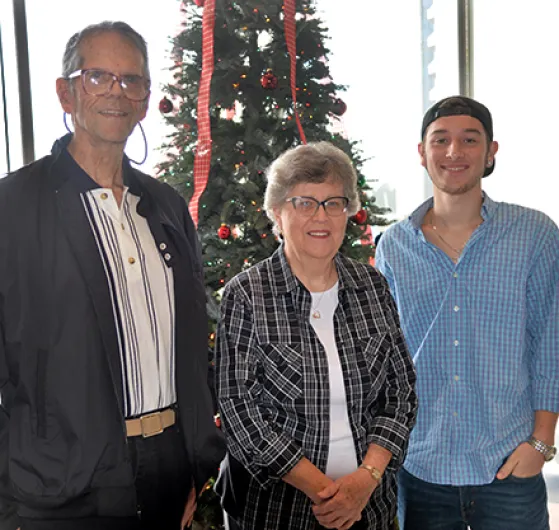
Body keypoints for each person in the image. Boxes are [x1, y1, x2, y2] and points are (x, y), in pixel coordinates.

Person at [0, 21, 224, 530]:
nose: (116, 92)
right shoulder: (12, 207)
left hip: (168, 473)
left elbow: (190, 347)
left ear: (146, 99)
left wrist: (193, 460)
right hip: (59, 489)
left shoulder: (166, 206)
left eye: (131, 80)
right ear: (66, 90)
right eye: (97, 76)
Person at [375, 95, 559, 530]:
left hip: (509, 465)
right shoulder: (393, 249)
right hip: (419, 469)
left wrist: (542, 443)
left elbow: (550, 344)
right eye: (441, 140)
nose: (454, 152)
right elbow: (386, 359)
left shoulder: (534, 235)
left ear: (491, 151)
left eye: (469, 139)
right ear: (422, 152)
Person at [214, 141, 417, 530]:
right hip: (278, 512)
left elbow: (401, 392)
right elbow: (239, 407)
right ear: (277, 212)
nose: (320, 216)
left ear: (348, 212)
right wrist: (328, 493)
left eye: (334, 203)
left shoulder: (372, 285)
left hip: (367, 508)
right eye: (304, 203)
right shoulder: (248, 293)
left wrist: (364, 481)